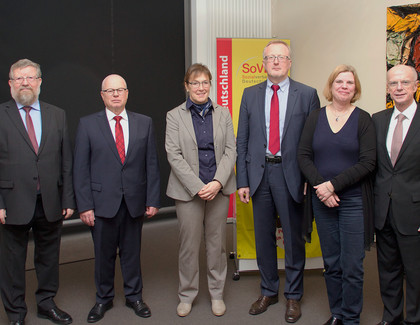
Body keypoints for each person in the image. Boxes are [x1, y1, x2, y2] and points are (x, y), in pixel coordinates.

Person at [236, 40, 320, 323]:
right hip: (259, 175)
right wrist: (243, 180)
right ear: (263, 63)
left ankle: (293, 297)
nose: (275, 62)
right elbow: (243, 140)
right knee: (263, 238)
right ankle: (268, 290)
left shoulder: (307, 95)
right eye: (270, 57)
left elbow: (313, 142)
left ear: (289, 62)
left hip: (292, 175)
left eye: (280, 57)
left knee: (294, 240)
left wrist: (310, 177)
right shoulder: (249, 94)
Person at [73, 74, 160, 323]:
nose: (115, 94)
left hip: (134, 201)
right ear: (102, 95)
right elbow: (80, 169)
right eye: (109, 91)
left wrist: (152, 199)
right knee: (104, 255)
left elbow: (151, 164)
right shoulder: (88, 124)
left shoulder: (144, 123)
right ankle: (103, 298)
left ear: (127, 93)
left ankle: (134, 297)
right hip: (101, 205)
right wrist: (85, 205)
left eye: (120, 89)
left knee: (132, 253)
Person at [298, 65, 376, 325]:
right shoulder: (315, 117)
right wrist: (322, 187)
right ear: (330, 86)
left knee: (352, 265)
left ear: (356, 89)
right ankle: (338, 313)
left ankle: (352, 318)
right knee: (331, 262)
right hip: (322, 201)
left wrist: (333, 185)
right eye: (339, 81)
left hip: (353, 202)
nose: (344, 86)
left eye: (349, 83)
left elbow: (368, 163)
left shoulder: (364, 119)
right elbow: (303, 155)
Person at [0, 59, 75, 325]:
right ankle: (16, 313)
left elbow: (66, 161)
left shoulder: (57, 114)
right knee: (12, 263)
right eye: (19, 78)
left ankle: (46, 303)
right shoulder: (1, 115)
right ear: (10, 84)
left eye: (30, 78)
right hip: (12, 201)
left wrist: (68, 198)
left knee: (48, 258)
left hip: (50, 201)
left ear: (40, 82)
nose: (25, 83)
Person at [165, 63, 236, 317]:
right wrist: (198, 187)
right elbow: (173, 155)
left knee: (216, 245)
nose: (200, 87)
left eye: (205, 82)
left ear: (210, 85)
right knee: (189, 245)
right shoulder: (174, 116)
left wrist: (217, 182)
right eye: (195, 83)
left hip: (218, 187)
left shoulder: (223, 113)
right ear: (186, 86)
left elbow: (231, 150)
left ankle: (217, 294)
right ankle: (187, 294)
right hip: (188, 191)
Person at [373, 64, 420, 325]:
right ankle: (391, 318)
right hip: (384, 212)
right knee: (387, 271)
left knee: (415, 273)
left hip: (415, 212)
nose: (399, 88)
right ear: (388, 88)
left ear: (415, 86)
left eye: (404, 83)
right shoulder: (378, 120)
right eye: (393, 83)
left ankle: (414, 319)